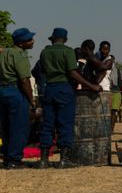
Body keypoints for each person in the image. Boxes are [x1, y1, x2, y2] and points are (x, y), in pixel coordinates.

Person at [38, 28, 102, 168]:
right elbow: (72, 73)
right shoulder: (68, 51)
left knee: (47, 124)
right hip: (64, 89)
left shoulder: (44, 52)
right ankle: (64, 159)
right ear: (65, 39)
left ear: (53, 38)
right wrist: (91, 85)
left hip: (49, 88)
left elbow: (41, 71)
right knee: (65, 124)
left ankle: (43, 159)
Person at [0, 28, 37, 169]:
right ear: (21, 43)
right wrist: (31, 99)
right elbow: (24, 81)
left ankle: (7, 158)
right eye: (29, 39)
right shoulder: (20, 55)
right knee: (19, 127)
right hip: (16, 92)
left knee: (6, 126)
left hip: (2, 90)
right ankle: (15, 160)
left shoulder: (5, 52)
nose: (33, 41)